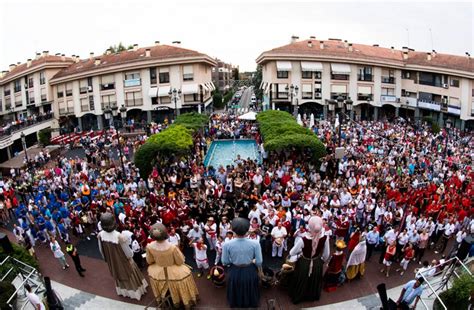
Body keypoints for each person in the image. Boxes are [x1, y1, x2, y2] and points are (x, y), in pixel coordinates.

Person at [146, 223, 199, 308]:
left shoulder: (149, 246)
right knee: (186, 275)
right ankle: (183, 301)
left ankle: (163, 299)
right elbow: (180, 261)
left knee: (153, 276)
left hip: (158, 271)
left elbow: (149, 261)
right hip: (174, 270)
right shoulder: (172, 247)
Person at [97, 213, 148, 300]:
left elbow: (101, 251)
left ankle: (123, 292)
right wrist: (131, 256)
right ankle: (136, 293)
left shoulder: (100, 235)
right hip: (125, 262)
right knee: (130, 274)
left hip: (112, 261)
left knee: (117, 274)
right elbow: (128, 253)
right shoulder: (119, 236)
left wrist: (108, 259)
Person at [222, 217, 263, 308]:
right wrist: (252, 261)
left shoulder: (227, 244)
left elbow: (225, 262)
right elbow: (259, 262)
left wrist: (233, 262)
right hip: (249, 270)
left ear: (233, 230)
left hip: (234, 270)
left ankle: (236, 303)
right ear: (247, 230)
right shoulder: (255, 244)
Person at [288, 216, 329, 304]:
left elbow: (292, 253)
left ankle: (299, 296)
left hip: (305, 262)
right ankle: (312, 295)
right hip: (317, 261)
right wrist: (321, 260)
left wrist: (301, 251)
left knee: (302, 279)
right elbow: (326, 254)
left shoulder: (304, 239)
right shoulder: (325, 237)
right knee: (313, 280)